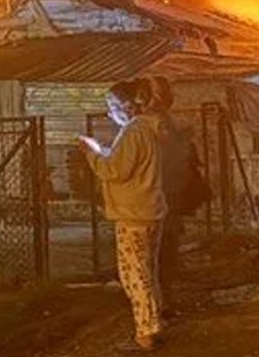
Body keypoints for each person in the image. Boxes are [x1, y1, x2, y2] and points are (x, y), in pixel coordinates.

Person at [81, 81, 167, 352]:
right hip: (150, 210)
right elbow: (128, 166)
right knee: (148, 270)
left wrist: (92, 153)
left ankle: (146, 330)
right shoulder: (149, 129)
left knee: (134, 274)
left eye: (113, 106)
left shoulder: (133, 131)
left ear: (129, 105)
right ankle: (154, 319)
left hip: (133, 215)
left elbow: (114, 171)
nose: (110, 113)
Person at [150, 76, 190, 316]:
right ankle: (161, 299)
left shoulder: (158, 121)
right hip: (164, 197)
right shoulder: (158, 121)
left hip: (165, 197)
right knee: (163, 251)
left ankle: (161, 300)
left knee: (163, 251)